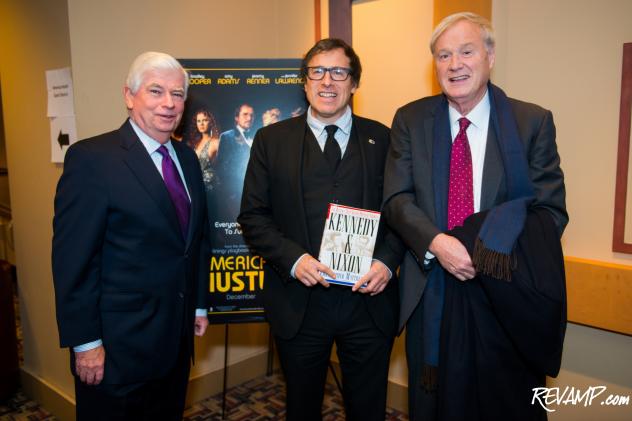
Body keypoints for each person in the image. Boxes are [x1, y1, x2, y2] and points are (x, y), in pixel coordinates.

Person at [382, 12, 568, 421]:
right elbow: (396, 198)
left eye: (466, 51)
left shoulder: (530, 122)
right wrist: (438, 243)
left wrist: (485, 250)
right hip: (431, 291)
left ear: (490, 55)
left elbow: (550, 213)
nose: (455, 64)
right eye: (443, 55)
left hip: (505, 296)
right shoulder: (410, 120)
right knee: (431, 406)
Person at [238, 38, 403, 421]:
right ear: (305, 81)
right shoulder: (271, 141)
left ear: (354, 83)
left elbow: (402, 212)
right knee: (301, 408)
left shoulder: (385, 140)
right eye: (318, 72)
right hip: (299, 302)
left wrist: (386, 261)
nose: (328, 81)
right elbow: (253, 216)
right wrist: (294, 260)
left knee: (368, 410)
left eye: (339, 72)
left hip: (369, 302)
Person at [52, 51, 210, 421]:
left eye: (177, 94)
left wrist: (198, 303)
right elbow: (73, 261)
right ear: (129, 95)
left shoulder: (186, 158)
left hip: (174, 340)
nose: (169, 104)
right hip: (117, 350)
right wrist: (86, 344)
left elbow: (195, 240)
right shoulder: (92, 159)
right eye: (156, 91)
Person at [217, 103, 255, 220]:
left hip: (256, 196)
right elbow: (222, 167)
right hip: (234, 195)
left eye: (252, 115)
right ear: (236, 118)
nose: (249, 118)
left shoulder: (260, 134)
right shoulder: (226, 136)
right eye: (245, 114)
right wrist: (231, 194)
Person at [187, 108, 221, 191]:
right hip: (195, 187)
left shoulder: (216, 142)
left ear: (211, 122)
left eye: (205, 120)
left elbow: (224, 167)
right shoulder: (194, 143)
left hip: (211, 189)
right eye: (199, 121)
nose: (201, 124)